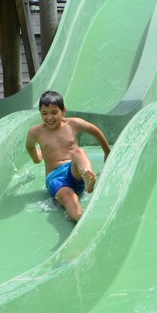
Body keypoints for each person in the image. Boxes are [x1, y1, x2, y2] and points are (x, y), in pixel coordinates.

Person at [26, 90, 112, 222]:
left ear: (63, 111)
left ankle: (88, 178)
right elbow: (29, 146)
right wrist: (36, 159)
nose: (49, 117)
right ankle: (81, 219)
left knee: (79, 152)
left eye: (54, 112)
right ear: (40, 113)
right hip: (55, 177)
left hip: (75, 170)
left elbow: (95, 131)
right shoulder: (36, 132)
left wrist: (107, 152)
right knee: (68, 197)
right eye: (44, 113)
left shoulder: (73, 124)